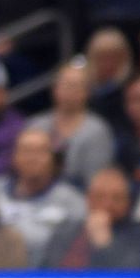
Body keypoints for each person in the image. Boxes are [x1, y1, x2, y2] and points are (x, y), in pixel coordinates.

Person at [0, 127, 87, 267]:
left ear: (53, 159)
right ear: (14, 157)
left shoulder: (73, 202)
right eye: (26, 151)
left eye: (40, 152)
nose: (32, 158)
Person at [27, 60, 115, 188]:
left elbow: (96, 182)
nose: (69, 91)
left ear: (87, 92)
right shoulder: (35, 125)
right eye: (65, 84)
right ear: (55, 88)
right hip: (36, 194)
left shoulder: (98, 130)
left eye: (76, 86)